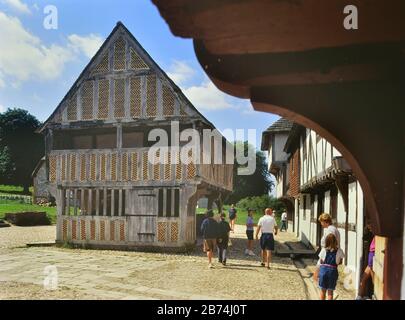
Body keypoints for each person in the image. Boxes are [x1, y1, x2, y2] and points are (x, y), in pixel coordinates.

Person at [313, 213, 341, 281]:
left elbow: (330, 245)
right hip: (328, 255)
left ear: (325, 221)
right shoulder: (332, 229)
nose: (321, 224)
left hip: (327, 257)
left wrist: (320, 264)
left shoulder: (330, 230)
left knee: (321, 280)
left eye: (321, 222)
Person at [318, 233, 345, 300]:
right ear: (336, 241)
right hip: (333, 272)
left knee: (322, 291)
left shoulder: (324, 250)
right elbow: (340, 262)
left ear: (326, 241)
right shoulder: (339, 251)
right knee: (330, 292)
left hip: (323, 271)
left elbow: (321, 261)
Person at [356, 224, 376, 299]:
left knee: (370, 276)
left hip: (373, 253)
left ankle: (360, 296)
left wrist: (371, 226)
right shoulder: (374, 235)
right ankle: (359, 296)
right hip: (371, 253)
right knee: (364, 278)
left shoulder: (378, 233)